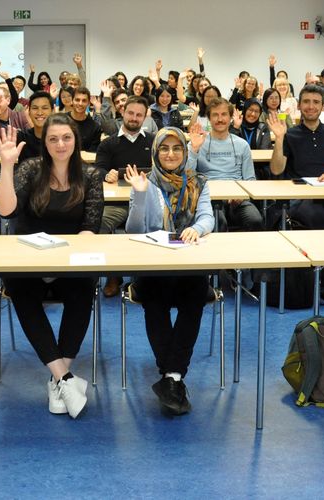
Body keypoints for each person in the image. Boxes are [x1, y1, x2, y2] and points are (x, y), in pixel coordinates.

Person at [0, 115, 104, 419]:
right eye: (53, 139)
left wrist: (63, 259)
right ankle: (65, 378)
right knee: (19, 286)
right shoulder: (30, 170)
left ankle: (58, 378)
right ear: (45, 143)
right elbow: (6, 211)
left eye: (66, 138)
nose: (60, 144)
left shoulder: (91, 175)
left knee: (84, 286)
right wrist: (6, 165)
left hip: (69, 260)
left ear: (76, 140)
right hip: (30, 258)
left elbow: (90, 228)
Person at [123, 127, 214, 415]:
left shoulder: (199, 181)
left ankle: (170, 377)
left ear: (185, 153)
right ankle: (174, 377)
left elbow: (208, 217)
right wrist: (139, 196)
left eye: (177, 148)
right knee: (155, 299)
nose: (171, 154)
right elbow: (135, 229)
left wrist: (195, 228)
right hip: (154, 264)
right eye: (165, 148)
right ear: (155, 152)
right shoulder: (145, 182)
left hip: (189, 263)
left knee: (195, 296)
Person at [267, 84, 324, 230]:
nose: (311, 106)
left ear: (323, 106)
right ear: (299, 105)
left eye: (316, 102)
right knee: (321, 221)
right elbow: (276, 170)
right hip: (300, 196)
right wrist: (279, 138)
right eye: (306, 101)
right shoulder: (289, 135)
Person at [95, 96, 155, 296]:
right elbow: (98, 169)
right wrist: (107, 174)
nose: (134, 118)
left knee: (159, 223)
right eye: (131, 113)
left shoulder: (154, 141)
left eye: (139, 115)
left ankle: (148, 275)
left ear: (145, 117)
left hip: (147, 199)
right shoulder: (108, 143)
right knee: (100, 223)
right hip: (118, 202)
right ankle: (113, 274)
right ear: (122, 112)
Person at [194, 98, 261, 231]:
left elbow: (250, 179)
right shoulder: (198, 143)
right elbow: (188, 176)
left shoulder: (242, 145)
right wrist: (193, 150)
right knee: (218, 222)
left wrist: (242, 196)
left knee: (256, 220)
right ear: (208, 118)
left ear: (231, 117)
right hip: (209, 198)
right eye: (215, 115)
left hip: (237, 198)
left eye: (224, 114)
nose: (220, 119)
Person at [67, 87, 103, 152]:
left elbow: (93, 153)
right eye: (77, 100)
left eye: (84, 101)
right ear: (72, 101)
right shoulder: (61, 121)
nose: (80, 103)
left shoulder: (95, 127)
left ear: (88, 103)